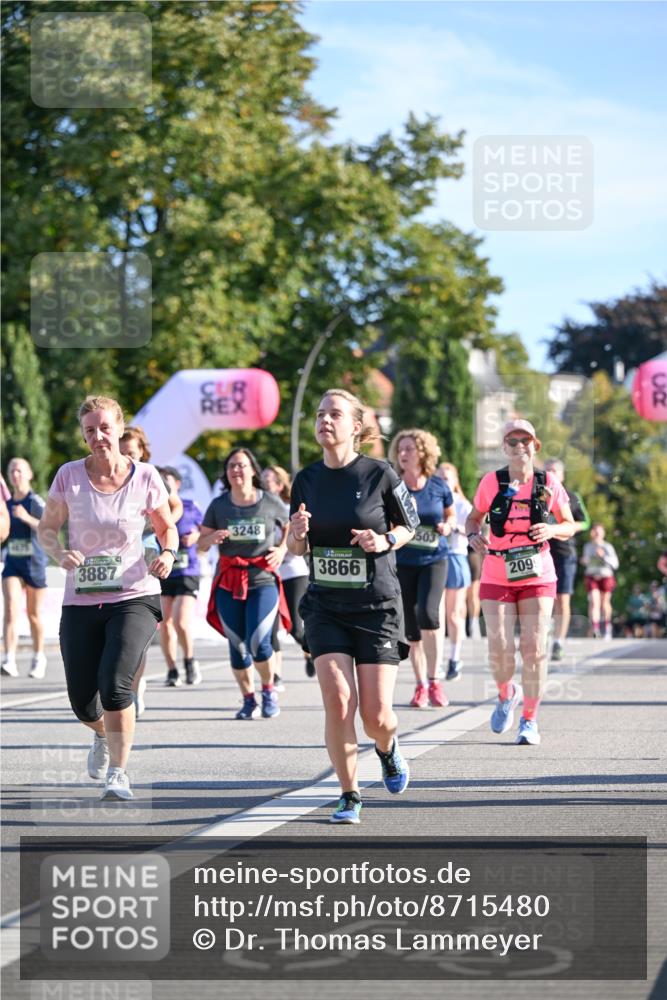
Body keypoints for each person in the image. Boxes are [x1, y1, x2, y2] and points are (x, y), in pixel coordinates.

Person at [37, 395, 178, 800]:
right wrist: (60, 552)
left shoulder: (147, 476)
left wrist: (168, 553)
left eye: (105, 428)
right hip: (81, 598)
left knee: (115, 684)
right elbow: (47, 527)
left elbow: (167, 527)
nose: (98, 436)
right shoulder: (69, 476)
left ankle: (119, 772)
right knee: (83, 701)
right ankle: (100, 734)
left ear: (119, 427)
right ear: (83, 436)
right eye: (90, 431)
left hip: (135, 593)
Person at [288, 388, 419, 825]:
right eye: (320, 414)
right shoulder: (305, 480)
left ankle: (387, 748)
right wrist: (297, 533)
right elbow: (293, 547)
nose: (325, 420)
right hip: (325, 604)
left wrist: (383, 540)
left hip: (376, 604)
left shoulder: (380, 474)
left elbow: (410, 526)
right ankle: (349, 793)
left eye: (335, 414)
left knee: (377, 716)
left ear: (356, 427)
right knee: (338, 699)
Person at [465, 419, 575, 746]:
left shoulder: (548, 483)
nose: (518, 446)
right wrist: (473, 534)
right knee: (499, 648)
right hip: (497, 571)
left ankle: (529, 719)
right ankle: (506, 692)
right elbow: (474, 517)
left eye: (524, 440)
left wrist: (552, 530)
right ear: (504, 447)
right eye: (511, 441)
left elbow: (570, 524)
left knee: (535, 647)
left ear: (534, 445)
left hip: (538, 572)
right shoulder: (491, 482)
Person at [200, 448, 289, 720]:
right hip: (229, 581)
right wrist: (212, 537)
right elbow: (201, 545)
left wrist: (282, 549)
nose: (236, 470)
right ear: (226, 474)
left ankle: (269, 690)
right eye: (231, 467)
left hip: (262, 579)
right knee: (238, 646)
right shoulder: (219, 505)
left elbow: (288, 528)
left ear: (252, 469)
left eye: (241, 465)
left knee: (259, 642)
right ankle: (249, 699)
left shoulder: (270, 502)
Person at [388, 430, 455, 709]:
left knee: (428, 614)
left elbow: (450, 514)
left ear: (423, 453)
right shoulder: (393, 486)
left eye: (409, 449)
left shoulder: (439, 486)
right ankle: (420, 685)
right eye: (400, 450)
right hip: (403, 562)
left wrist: (447, 526)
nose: (403, 454)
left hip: (434, 559)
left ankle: (435, 680)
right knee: (411, 629)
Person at [119, 426, 183, 712]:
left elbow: (175, 507)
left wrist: (160, 528)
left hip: (144, 552)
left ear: (143, 452)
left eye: (130, 452)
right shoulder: (104, 475)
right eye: (121, 452)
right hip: (111, 557)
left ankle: (133, 687)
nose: (124, 457)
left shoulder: (151, 476)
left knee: (136, 627)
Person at [262, 465, 314, 680]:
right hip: (267, 574)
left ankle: (310, 651)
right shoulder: (257, 508)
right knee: (269, 628)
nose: (264, 484)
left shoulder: (288, 508)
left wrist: (283, 548)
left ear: (280, 485)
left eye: (269, 481)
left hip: (293, 571)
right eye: (262, 480)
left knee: (295, 627)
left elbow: (300, 540)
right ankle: (275, 676)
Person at [1, 458, 49, 679]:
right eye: (11, 470)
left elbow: (50, 527)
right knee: (11, 609)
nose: (15, 474)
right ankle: (9, 659)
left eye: (19, 470)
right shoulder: (6, 505)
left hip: (35, 564)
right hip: (12, 563)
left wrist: (27, 518)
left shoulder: (35, 501)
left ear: (29, 474)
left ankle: (39, 657)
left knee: (33, 615)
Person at [157, 466, 203, 687]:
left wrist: (196, 535)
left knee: (181, 621)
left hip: (188, 571)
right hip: (164, 571)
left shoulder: (191, 507)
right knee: (165, 624)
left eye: (168, 481)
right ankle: (172, 669)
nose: (164, 485)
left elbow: (207, 531)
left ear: (177, 484)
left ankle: (189, 661)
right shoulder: (154, 508)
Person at [543, 459, 590, 661]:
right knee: (543, 599)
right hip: (541, 552)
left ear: (562, 475)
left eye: (555, 471)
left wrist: (568, 527)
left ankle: (558, 643)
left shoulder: (571, 496)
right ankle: (543, 634)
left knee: (562, 599)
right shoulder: (535, 495)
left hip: (564, 553)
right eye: (548, 470)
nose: (552, 474)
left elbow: (586, 522)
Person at [437, 463, 473, 681]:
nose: (443, 482)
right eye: (439, 478)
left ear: (455, 481)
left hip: (456, 557)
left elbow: (473, 532)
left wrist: (454, 528)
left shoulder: (462, 505)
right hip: (434, 558)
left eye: (447, 478)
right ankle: (438, 660)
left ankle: (455, 658)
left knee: (453, 614)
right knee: (436, 615)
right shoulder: (432, 501)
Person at [581, 523, 619, 639]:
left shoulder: (608, 547)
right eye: (595, 531)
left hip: (606, 576)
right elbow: (586, 561)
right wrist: (584, 561)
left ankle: (607, 627)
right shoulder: (587, 546)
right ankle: (595, 628)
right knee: (594, 601)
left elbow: (615, 564)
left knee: (605, 603)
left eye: (599, 531)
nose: (597, 534)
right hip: (592, 576)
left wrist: (603, 557)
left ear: (603, 533)